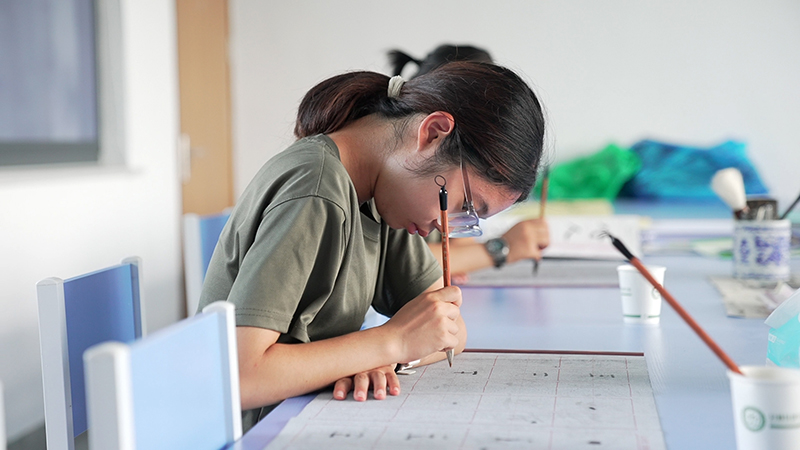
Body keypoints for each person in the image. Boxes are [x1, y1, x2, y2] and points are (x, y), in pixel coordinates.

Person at [198, 61, 546, 432]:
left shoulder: (384, 197)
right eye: (463, 205)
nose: (445, 229)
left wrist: (376, 357)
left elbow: (450, 332)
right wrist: (390, 343)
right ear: (432, 134)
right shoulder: (316, 189)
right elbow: (239, 377)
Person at [389, 44, 550, 281]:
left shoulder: (444, 181)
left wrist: (463, 253)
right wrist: (500, 248)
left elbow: (457, 249)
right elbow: (397, 266)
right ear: (435, 131)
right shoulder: (391, 185)